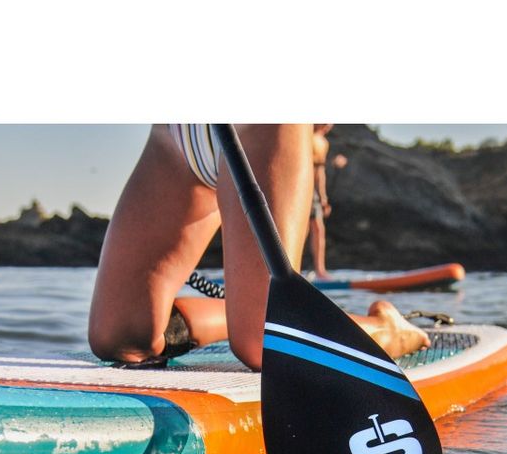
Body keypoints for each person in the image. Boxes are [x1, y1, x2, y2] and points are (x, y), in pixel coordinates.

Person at [88, 124, 429, 371]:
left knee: (263, 345)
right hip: (175, 136)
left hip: (260, 126)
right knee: (117, 337)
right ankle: (247, 309)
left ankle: (388, 329)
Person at [307, 123, 336, 280]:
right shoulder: (304, 136)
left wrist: (323, 198)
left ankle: (320, 270)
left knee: (318, 228)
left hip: (313, 192)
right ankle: (292, 268)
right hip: (299, 188)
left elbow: (320, 172)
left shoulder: (323, 143)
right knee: (301, 230)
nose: (328, 125)